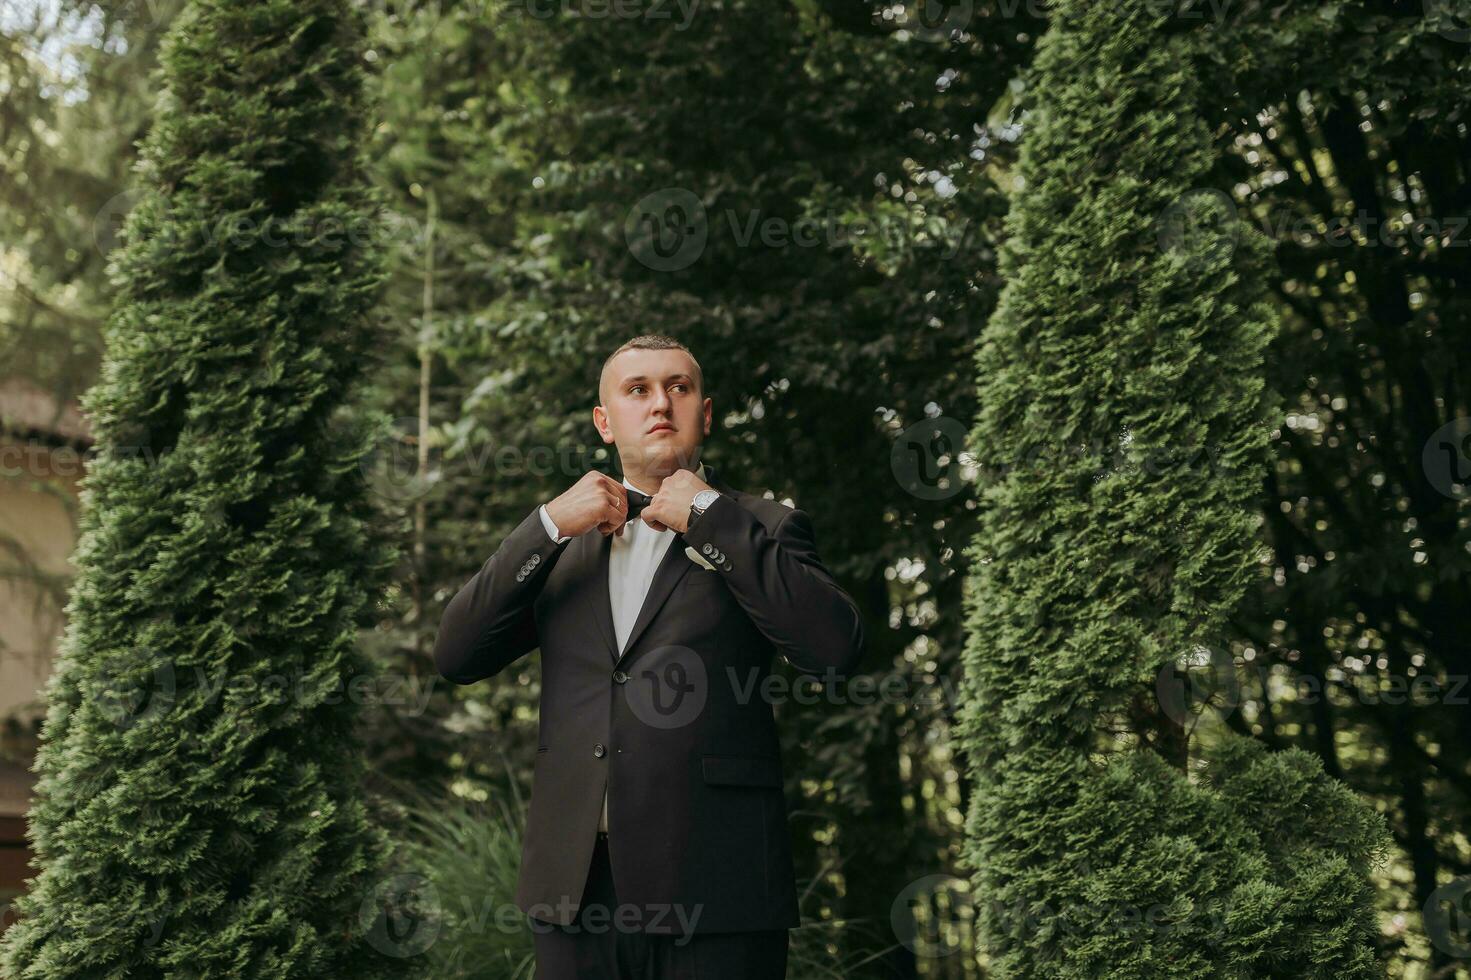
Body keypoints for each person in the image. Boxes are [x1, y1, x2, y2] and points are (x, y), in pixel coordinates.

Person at [432, 334, 865, 979]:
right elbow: (456, 654)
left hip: (716, 888)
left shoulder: (764, 527)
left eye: (678, 387)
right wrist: (546, 524)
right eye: (637, 390)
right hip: (576, 896)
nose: (660, 402)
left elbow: (833, 649)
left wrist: (710, 519)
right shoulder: (561, 548)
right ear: (605, 423)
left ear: (706, 413)